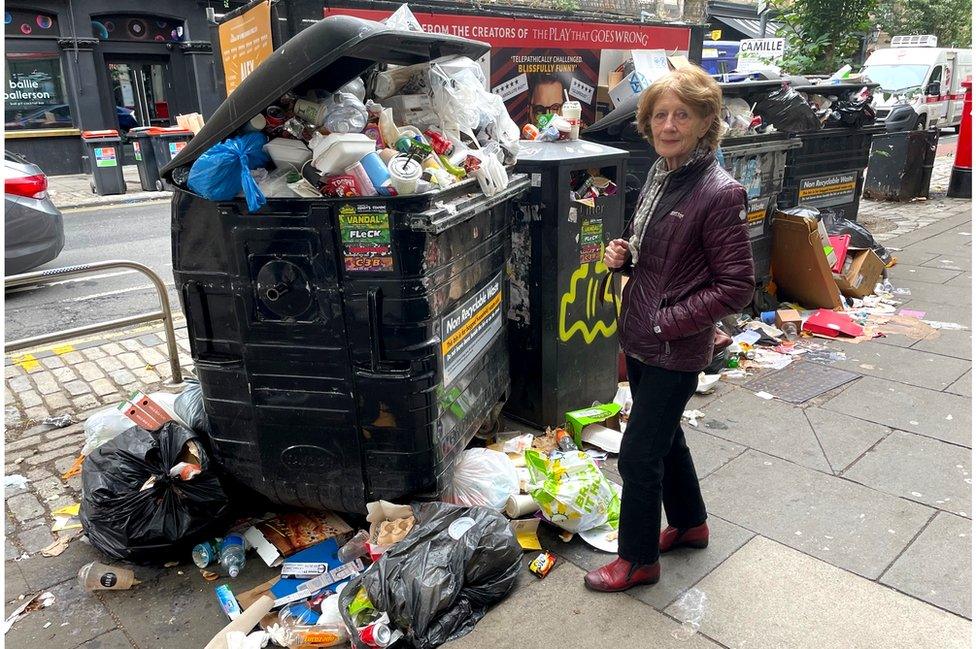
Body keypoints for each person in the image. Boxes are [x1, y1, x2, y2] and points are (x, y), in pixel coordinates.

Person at [584, 65, 754, 592]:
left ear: (706, 121)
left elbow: (736, 286)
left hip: (671, 346)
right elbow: (661, 256)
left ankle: (637, 560)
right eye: (660, 114)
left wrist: (666, 321)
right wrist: (625, 255)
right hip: (642, 334)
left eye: (683, 114)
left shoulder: (718, 191)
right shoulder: (663, 176)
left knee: (637, 455)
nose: (669, 124)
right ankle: (690, 524)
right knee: (666, 437)